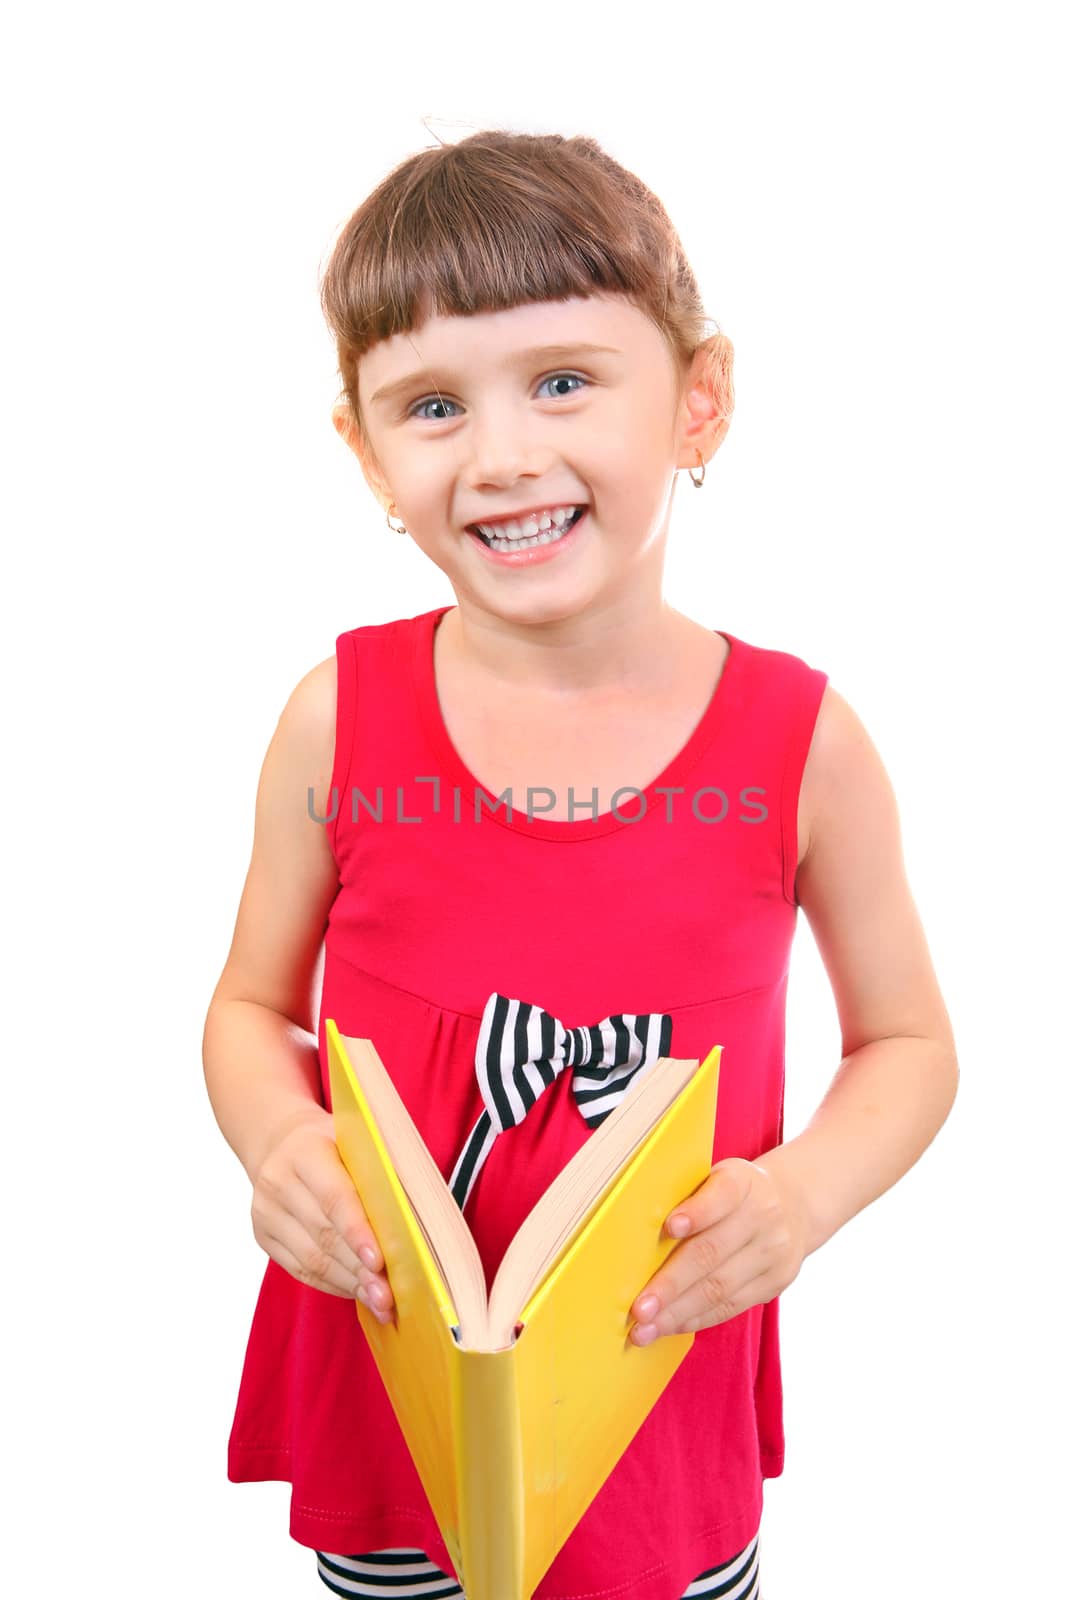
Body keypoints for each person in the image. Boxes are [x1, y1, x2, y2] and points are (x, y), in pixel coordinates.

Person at [202, 128, 959, 1600]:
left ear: (699, 402)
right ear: (366, 454)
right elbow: (247, 1010)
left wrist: (800, 1198)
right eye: (431, 406)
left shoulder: (804, 742)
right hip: (390, 1383)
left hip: (651, 1408)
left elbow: (913, 1044)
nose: (502, 458)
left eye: (563, 381)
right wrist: (278, 1146)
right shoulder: (333, 717)